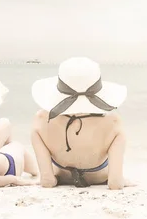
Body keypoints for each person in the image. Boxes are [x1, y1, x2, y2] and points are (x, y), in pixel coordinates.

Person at [31, 57, 128, 190]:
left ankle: (47, 175)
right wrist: (118, 180)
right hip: (98, 177)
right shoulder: (113, 122)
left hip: (62, 175)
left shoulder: (42, 119)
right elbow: (115, 185)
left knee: (36, 126)